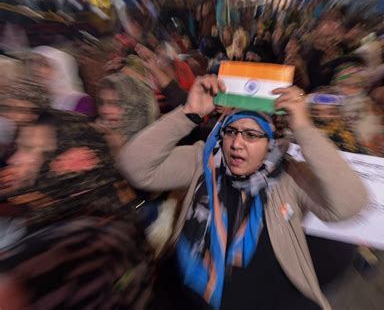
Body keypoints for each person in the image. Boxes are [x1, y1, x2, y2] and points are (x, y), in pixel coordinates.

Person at [118, 75, 367, 309]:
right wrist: (188, 113)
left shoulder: (289, 175)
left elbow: (348, 204)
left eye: (251, 135)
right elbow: (135, 166)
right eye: (231, 132)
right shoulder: (203, 160)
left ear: (270, 142)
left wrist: (304, 128)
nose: (237, 144)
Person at [0, 110, 155, 309]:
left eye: (30, 149)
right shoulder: (105, 214)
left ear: (64, 164)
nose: (14, 159)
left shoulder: (86, 240)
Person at [96, 72, 159, 156]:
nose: (104, 110)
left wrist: (118, 152)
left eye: (115, 103)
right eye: (101, 102)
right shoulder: (95, 138)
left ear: (135, 107)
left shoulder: (152, 145)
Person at [31, 46, 95, 116]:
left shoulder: (81, 101)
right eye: (35, 64)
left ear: (61, 69)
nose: (36, 69)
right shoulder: (36, 99)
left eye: (45, 65)